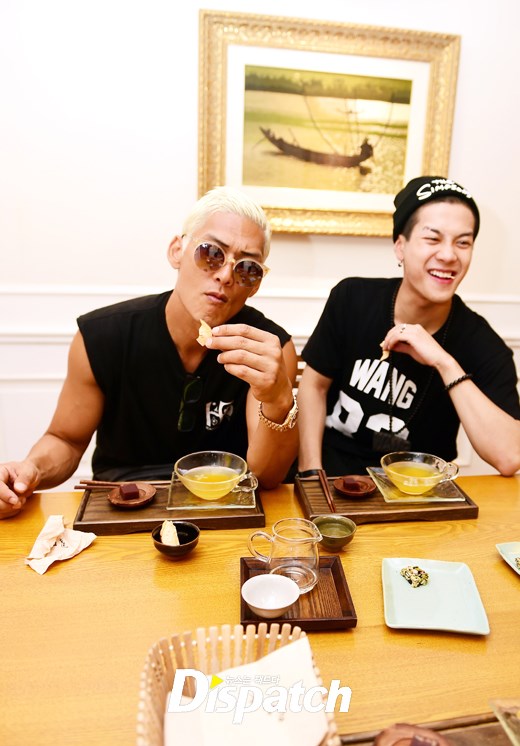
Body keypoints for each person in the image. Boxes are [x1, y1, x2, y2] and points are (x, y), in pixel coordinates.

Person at [0, 187, 299, 518]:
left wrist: (278, 399)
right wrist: (29, 470)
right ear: (177, 251)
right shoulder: (103, 336)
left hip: (222, 508)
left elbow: (266, 477)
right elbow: (66, 440)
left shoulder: (268, 350)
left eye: (248, 268)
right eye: (211, 252)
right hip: (120, 508)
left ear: (256, 284)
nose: (226, 275)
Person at [297, 176, 520, 478]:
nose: (448, 255)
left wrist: (443, 362)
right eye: (433, 239)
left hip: (416, 491)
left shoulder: (483, 344)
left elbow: (510, 457)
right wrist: (311, 473)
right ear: (400, 246)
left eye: (463, 242)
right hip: (333, 478)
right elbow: (314, 386)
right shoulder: (352, 298)